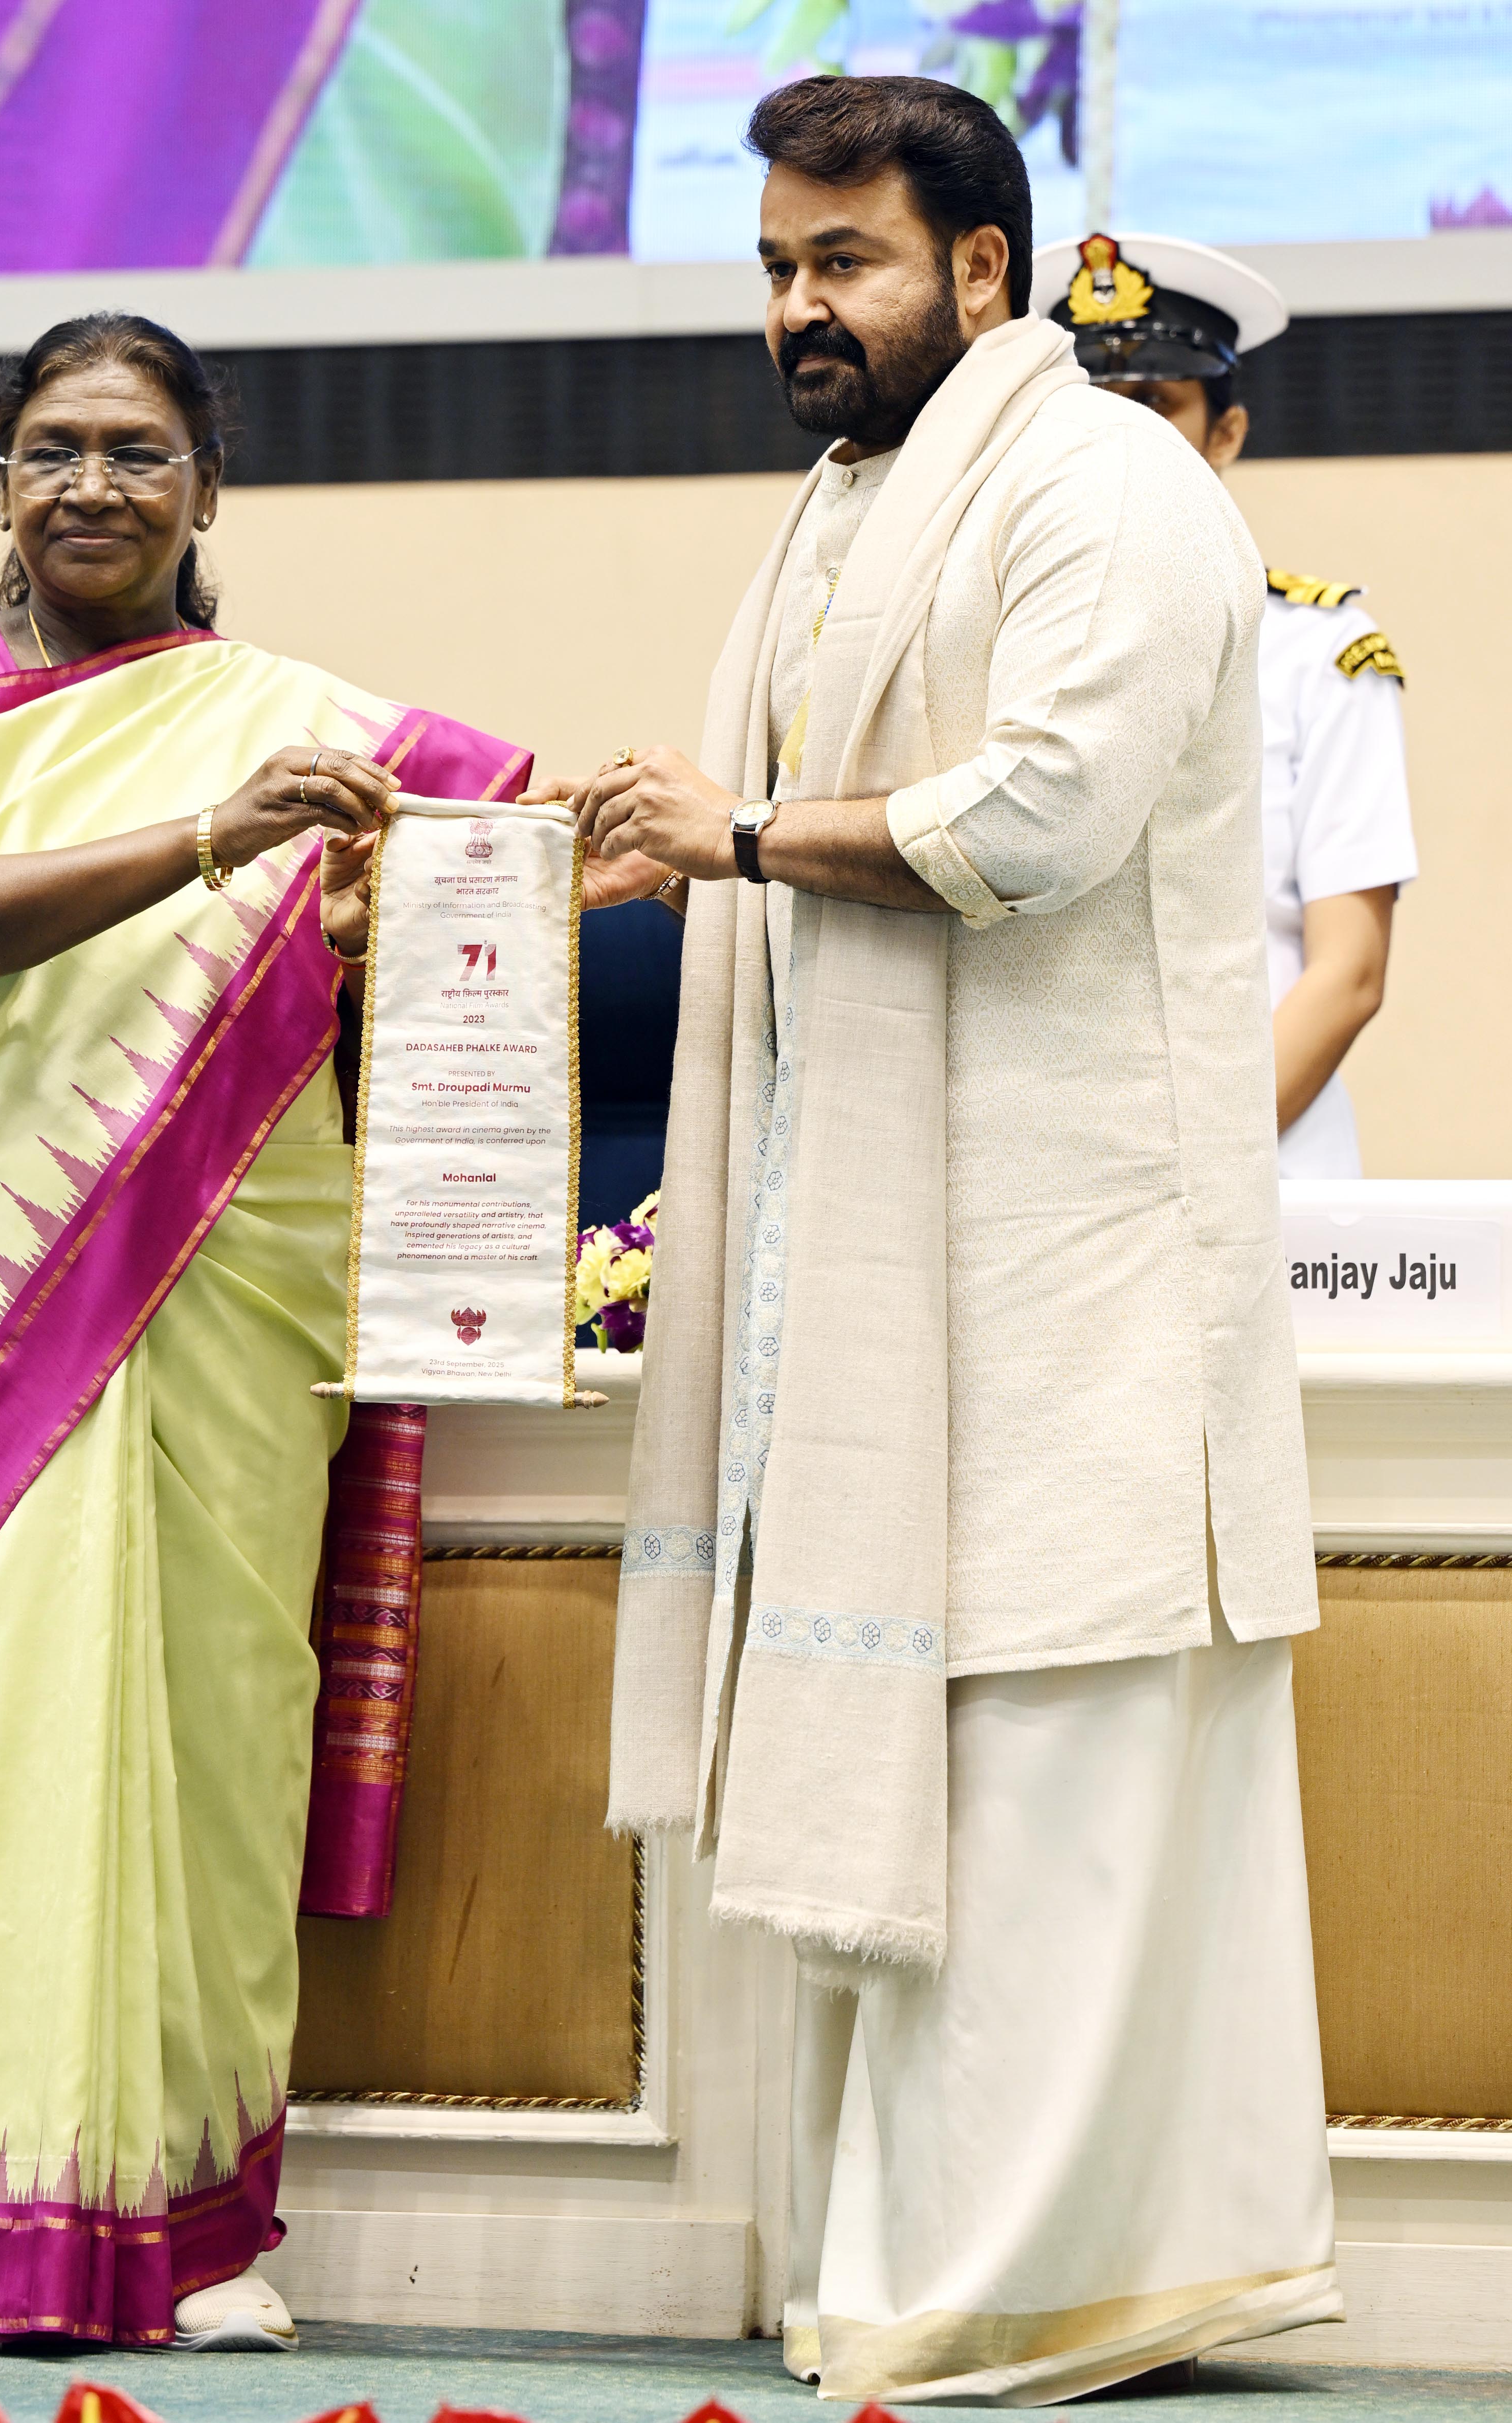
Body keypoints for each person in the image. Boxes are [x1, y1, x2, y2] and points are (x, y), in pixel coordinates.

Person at [550, 78, 1339, 2402]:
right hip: (899, 1279)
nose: (797, 306)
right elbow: (770, 839)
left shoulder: (1098, 484)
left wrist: (745, 830)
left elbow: (1042, 815)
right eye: (779, 262)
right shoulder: (845, 506)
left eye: (846, 262)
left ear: (980, 270)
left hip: (1067, 1279)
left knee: (1051, 1795)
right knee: (963, 1797)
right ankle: (939, 2262)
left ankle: (1013, 2287)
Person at [0, 312, 550, 2356]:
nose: (90, 484)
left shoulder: (304, 718)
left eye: (137, 451)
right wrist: (221, 842)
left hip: (236, 1278)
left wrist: (586, 856)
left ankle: (197, 2221)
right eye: (53, 447)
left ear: (207, 487)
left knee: (211, 1725)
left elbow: (504, 851)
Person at [1035, 230, 1418, 1177]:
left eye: (1158, 405)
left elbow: (1350, 972)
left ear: (1227, 434)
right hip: (1053, 1178)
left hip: (1263, 1171)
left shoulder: (1320, 652)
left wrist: (1195, 1168)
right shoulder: (1009, 643)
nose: (1122, 438)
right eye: (1095, 408)